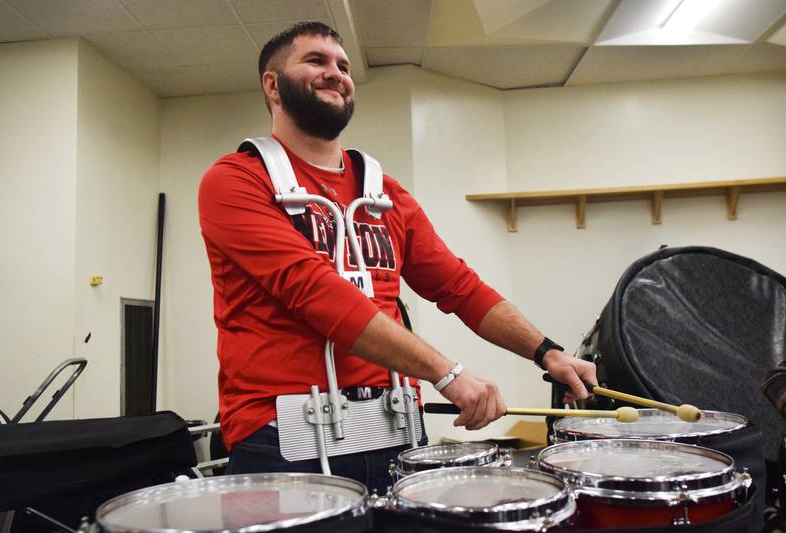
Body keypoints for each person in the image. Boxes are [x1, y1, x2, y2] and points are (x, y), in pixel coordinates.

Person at [198, 21, 596, 492]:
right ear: (272, 83)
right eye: (315, 61)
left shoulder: (383, 193)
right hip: (282, 439)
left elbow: (457, 285)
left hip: (396, 429)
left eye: (343, 66)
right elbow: (315, 291)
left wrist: (545, 351)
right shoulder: (235, 180)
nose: (335, 74)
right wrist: (447, 373)